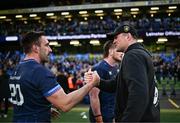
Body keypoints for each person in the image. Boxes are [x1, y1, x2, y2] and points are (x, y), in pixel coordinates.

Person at [8, 31, 98, 122]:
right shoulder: (39, 71)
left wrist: (43, 109)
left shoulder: (17, 69)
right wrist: (90, 84)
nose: (50, 50)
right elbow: (65, 104)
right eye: (47, 45)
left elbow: (28, 98)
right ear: (36, 48)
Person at [85, 23, 160, 122]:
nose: (114, 41)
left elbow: (139, 96)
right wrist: (98, 81)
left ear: (128, 36)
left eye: (116, 37)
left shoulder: (132, 56)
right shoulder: (140, 53)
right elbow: (115, 84)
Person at [89, 41, 123, 123]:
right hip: (103, 115)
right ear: (111, 51)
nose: (122, 53)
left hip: (112, 113)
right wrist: (98, 117)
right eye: (119, 51)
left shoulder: (116, 68)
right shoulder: (99, 68)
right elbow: (93, 96)